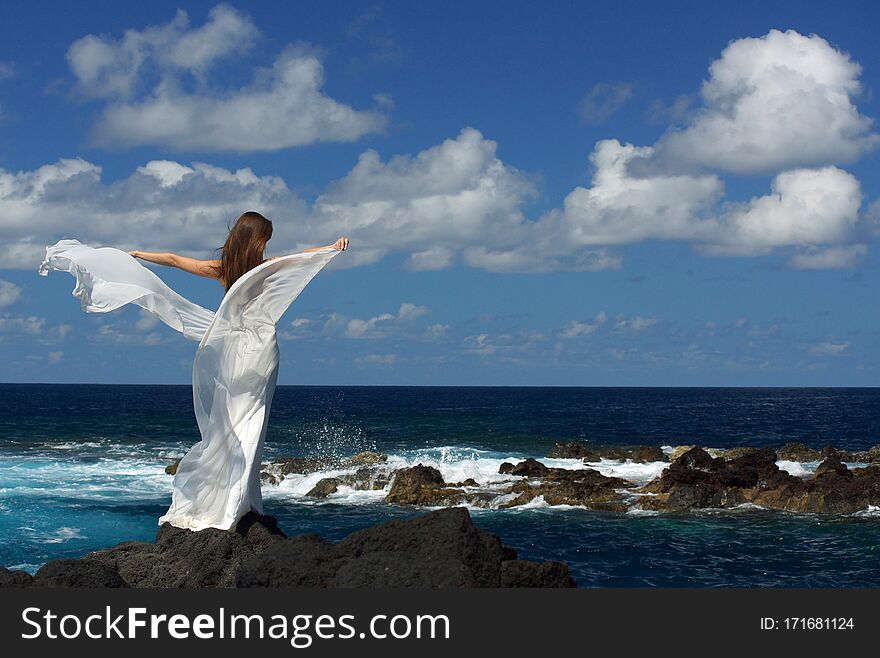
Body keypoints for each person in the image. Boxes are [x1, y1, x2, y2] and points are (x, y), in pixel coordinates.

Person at [38, 211, 349, 531]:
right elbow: (301, 259)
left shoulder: (223, 269)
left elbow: (173, 260)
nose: (265, 245)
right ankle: (239, 502)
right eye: (264, 239)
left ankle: (236, 499)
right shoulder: (263, 269)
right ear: (254, 239)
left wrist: (139, 255)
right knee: (250, 420)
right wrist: (331, 247)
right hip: (258, 350)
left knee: (232, 420)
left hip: (234, 349)